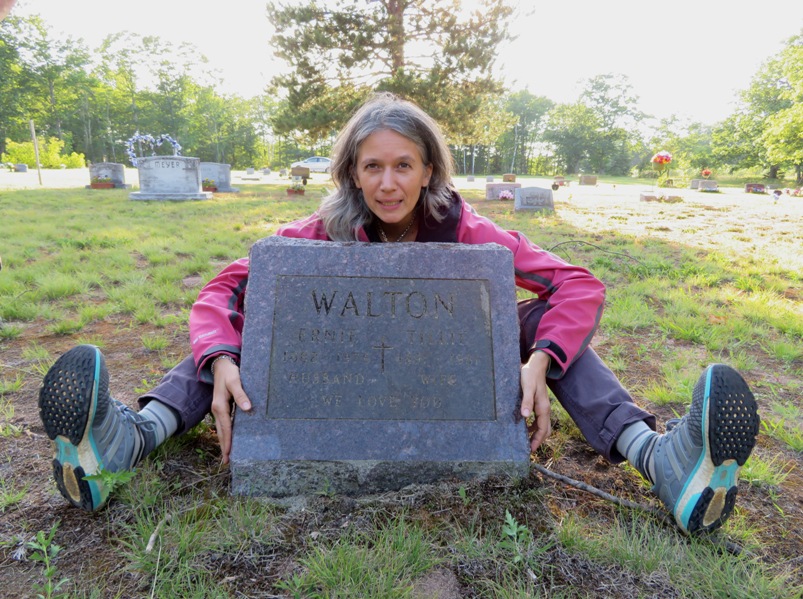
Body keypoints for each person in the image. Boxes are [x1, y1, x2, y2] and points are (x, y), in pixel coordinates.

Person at [38, 93, 759, 535]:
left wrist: (537, 364)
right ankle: (131, 440)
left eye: (404, 165)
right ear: (352, 171)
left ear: (429, 170)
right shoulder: (313, 233)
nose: (388, 183)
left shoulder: (470, 231)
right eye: (372, 165)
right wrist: (221, 358)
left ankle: (658, 458)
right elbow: (218, 293)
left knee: (541, 325)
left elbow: (576, 283)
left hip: (449, 365)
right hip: (342, 365)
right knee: (239, 335)